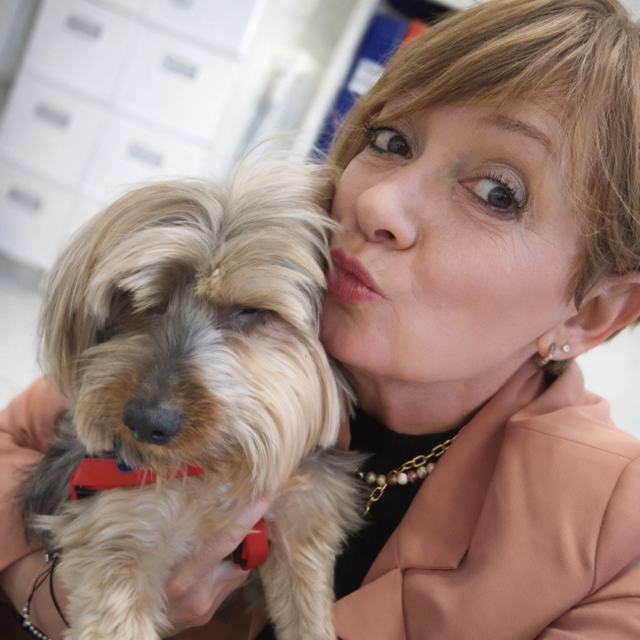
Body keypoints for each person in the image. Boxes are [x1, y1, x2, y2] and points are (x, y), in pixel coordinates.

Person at [3, 0, 640, 636]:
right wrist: (43, 594)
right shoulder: (220, 331)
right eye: (391, 142)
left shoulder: (618, 544)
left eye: (497, 193)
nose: (377, 201)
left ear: (591, 312)